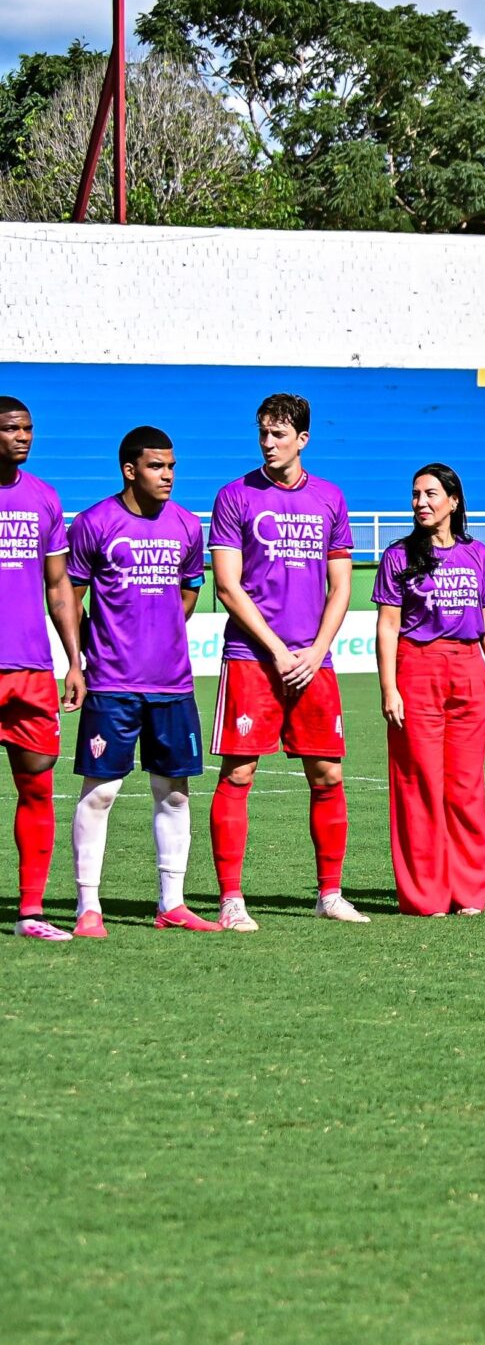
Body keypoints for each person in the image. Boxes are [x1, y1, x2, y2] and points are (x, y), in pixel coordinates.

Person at [207, 394, 365, 929]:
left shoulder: (330, 499)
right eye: (264, 433)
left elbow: (341, 585)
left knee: (327, 774)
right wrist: (277, 650)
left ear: (303, 439)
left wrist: (318, 651)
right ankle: (231, 900)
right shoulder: (235, 496)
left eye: (279, 434)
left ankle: (329, 894)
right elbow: (227, 586)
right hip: (252, 657)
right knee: (240, 772)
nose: (268, 443)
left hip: (312, 661)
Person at [63, 427, 218, 934]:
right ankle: (89, 906)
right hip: (110, 682)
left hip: (172, 683)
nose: (167, 475)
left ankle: (171, 905)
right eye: (157, 466)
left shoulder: (186, 526)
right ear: (130, 470)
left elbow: (189, 593)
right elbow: (70, 597)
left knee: (173, 791)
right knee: (101, 791)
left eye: (172, 466)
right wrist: (79, 658)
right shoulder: (94, 523)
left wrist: (159, 634)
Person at [372, 465, 485, 917]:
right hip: (417, 668)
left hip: (468, 670)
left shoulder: (478, 555)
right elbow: (388, 625)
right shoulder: (398, 556)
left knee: (466, 785)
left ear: (453, 500)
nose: (421, 502)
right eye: (415, 495)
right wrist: (389, 687)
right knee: (419, 784)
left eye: (431, 494)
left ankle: (469, 892)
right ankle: (425, 896)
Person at [0, 397, 82, 939]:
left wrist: (74, 660)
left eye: (27, 428)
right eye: (10, 429)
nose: (22, 437)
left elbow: (58, 586)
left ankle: (30, 913)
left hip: (30, 668)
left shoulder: (44, 498)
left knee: (36, 785)